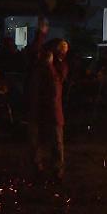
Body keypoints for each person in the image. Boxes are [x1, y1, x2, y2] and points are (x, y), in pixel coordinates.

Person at [28, 39, 68, 183]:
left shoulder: (61, 66)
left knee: (56, 142)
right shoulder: (41, 64)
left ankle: (57, 170)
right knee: (36, 141)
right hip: (39, 109)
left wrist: (49, 65)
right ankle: (37, 168)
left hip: (52, 110)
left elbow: (55, 85)